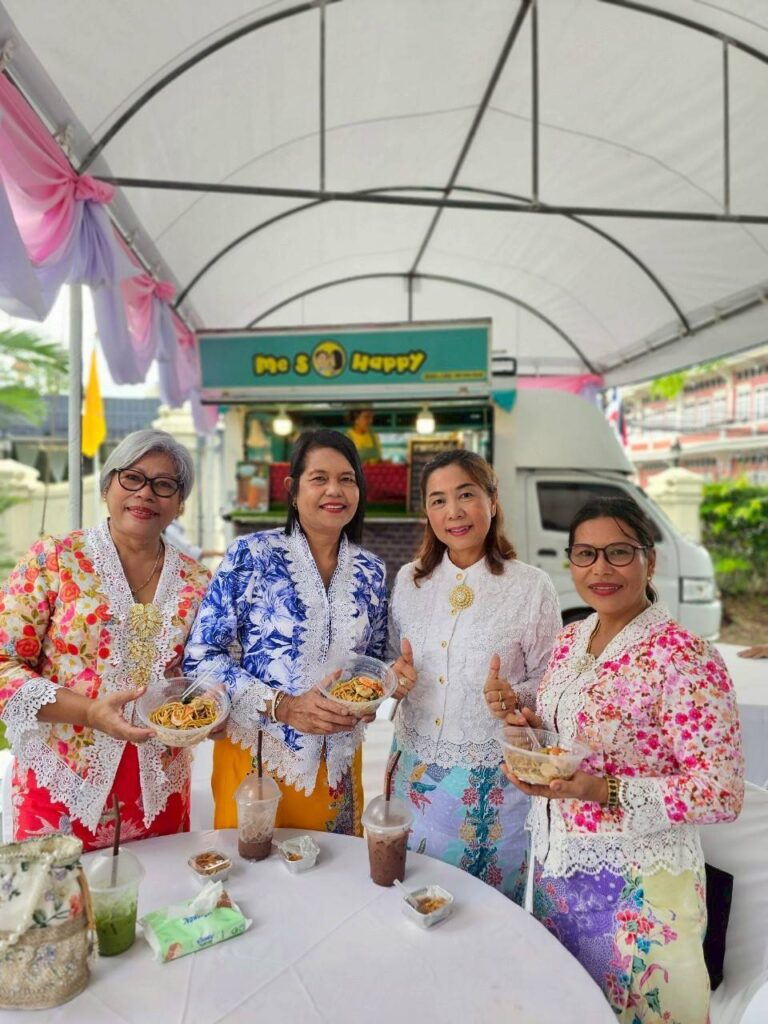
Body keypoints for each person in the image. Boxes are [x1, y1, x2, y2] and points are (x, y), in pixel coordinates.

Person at [502, 495, 744, 1023]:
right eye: (585, 554)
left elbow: (721, 792)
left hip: (641, 891)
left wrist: (603, 790)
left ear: (648, 561)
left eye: (618, 552)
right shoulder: (570, 640)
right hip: (558, 872)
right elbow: (570, 736)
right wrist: (528, 734)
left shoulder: (685, 656)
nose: (600, 569)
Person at [0, 430, 210, 850]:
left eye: (164, 485)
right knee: (61, 891)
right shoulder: (55, 559)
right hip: (62, 778)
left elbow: (203, 677)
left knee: (160, 889)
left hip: (157, 786)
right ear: (107, 485)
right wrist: (91, 712)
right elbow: (4, 665)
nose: (145, 493)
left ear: (180, 502)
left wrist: (205, 709)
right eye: (132, 477)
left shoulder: (197, 581)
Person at [184, 429, 388, 834]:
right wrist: (283, 706)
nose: (335, 490)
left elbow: (374, 663)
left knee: (334, 869)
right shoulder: (252, 555)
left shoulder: (372, 571)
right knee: (252, 868)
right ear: (293, 490)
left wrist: (372, 695)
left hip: (338, 768)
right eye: (319, 478)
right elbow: (201, 656)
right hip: (258, 758)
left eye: (347, 479)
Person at [387, 449, 560, 901]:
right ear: (427, 513)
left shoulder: (530, 587)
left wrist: (514, 696)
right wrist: (395, 679)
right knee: (411, 900)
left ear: (493, 500)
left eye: (466, 495)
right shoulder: (409, 581)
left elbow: (553, 683)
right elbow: (390, 663)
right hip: (414, 772)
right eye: (438, 500)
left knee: (484, 910)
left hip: (493, 785)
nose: (454, 512)